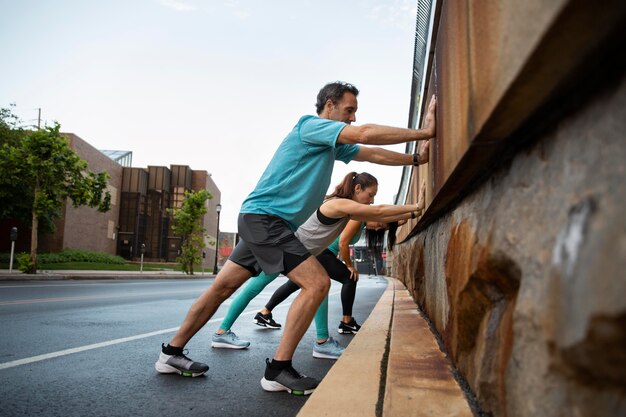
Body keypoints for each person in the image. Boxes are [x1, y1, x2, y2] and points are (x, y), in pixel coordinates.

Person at [154, 81, 436, 396]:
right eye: (349, 109)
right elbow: (365, 134)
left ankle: (171, 353)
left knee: (222, 287)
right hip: (266, 220)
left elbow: (369, 152)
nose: (353, 118)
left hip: (267, 222)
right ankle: (278, 370)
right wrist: (423, 133)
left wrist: (415, 160)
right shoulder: (310, 126)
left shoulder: (329, 145)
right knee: (317, 283)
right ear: (330, 105)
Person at [211, 173, 425, 360]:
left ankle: (226, 331)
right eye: (370, 195)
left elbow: (383, 215)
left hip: (297, 248)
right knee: (284, 284)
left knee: (274, 284)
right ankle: (321, 341)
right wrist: (415, 206)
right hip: (293, 247)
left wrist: (413, 213)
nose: (372, 200)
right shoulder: (342, 205)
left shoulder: (352, 210)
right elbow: (378, 212)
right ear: (357, 189)